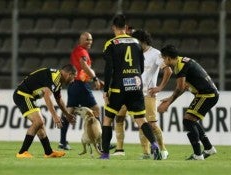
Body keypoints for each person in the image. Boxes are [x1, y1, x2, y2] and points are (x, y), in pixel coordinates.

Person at [100, 14, 161, 160]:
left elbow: (109, 68)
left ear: (113, 27)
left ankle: (105, 154)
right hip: (135, 84)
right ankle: (154, 145)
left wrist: (105, 90)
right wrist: (135, 79)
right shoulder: (136, 42)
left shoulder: (111, 44)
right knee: (141, 119)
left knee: (108, 120)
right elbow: (140, 65)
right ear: (126, 27)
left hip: (118, 87)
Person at [112, 29, 172, 159]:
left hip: (147, 94)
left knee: (151, 124)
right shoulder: (134, 53)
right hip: (130, 92)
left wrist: (160, 87)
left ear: (143, 41)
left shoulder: (156, 54)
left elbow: (168, 71)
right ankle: (141, 152)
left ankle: (163, 150)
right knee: (125, 119)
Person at [157, 45, 218, 160]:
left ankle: (198, 155)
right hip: (206, 94)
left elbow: (180, 87)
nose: (163, 61)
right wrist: (170, 98)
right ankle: (208, 148)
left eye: (164, 58)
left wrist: (169, 102)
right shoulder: (181, 62)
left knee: (188, 121)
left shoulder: (180, 66)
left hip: (207, 94)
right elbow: (184, 87)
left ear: (169, 58)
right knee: (191, 120)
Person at [13, 65, 77, 158]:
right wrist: (55, 116)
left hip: (29, 96)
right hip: (22, 95)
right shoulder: (54, 78)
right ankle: (22, 152)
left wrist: (67, 114)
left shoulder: (58, 81)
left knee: (40, 124)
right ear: (69, 74)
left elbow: (59, 100)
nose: (73, 80)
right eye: (73, 77)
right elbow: (47, 96)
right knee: (38, 121)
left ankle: (48, 152)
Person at [58, 32, 102, 150]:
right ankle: (100, 142)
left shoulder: (79, 51)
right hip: (81, 85)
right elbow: (84, 66)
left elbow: (85, 70)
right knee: (96, 110)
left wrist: (96, 79)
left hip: (74, 85)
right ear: (80, 40)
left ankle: (62, 142)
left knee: (69, 112)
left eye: (91, 40)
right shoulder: (82, 51)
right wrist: (95, 79)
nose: (90, 42)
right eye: (87, 39)